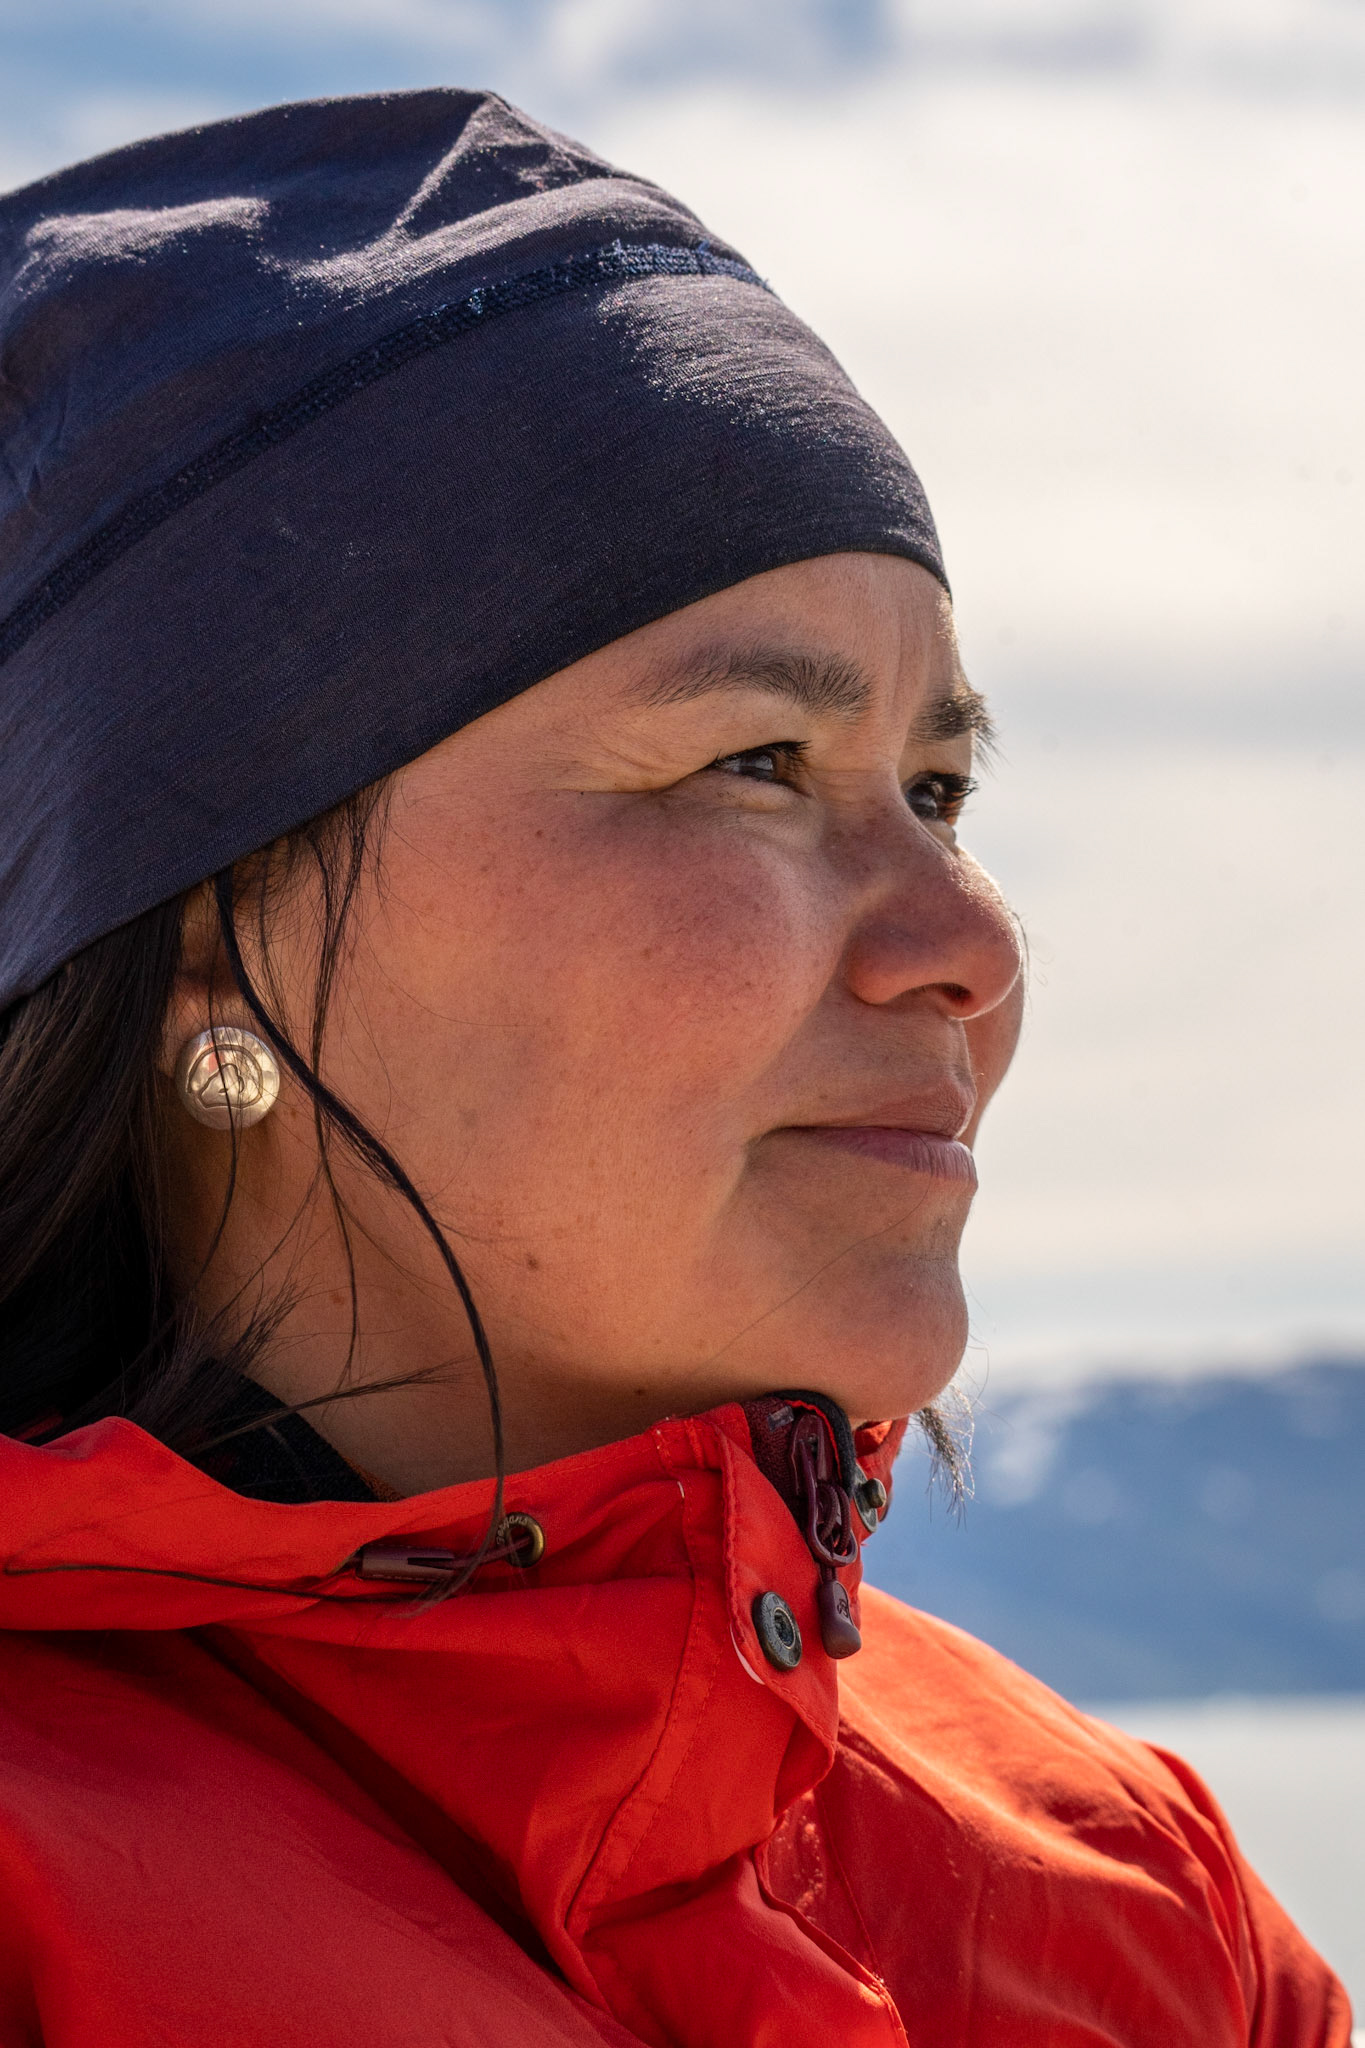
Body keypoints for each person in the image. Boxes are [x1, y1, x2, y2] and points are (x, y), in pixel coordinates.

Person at [0, 88, 1349, 2048]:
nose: (965, 945)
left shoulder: (1137, 1907)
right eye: (750, 767)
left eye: (938, 786)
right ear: (213, 936)